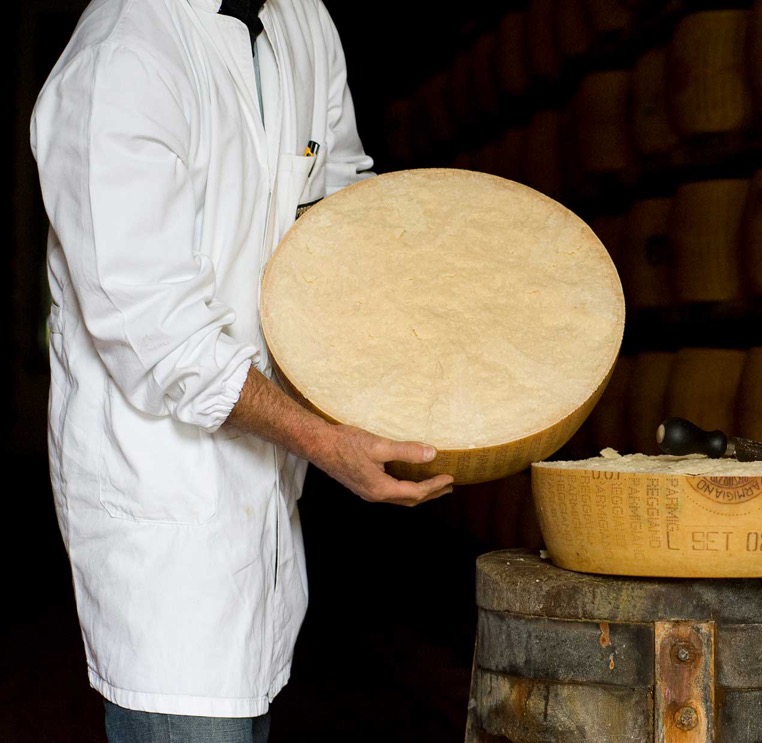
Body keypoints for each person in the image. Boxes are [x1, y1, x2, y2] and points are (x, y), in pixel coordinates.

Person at [30, 0, 454, 740]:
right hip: (161, 527)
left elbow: (337, 201)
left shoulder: (303, 21)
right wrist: (327, 442)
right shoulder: (120, 60)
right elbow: (162, 339)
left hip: (263, 519)